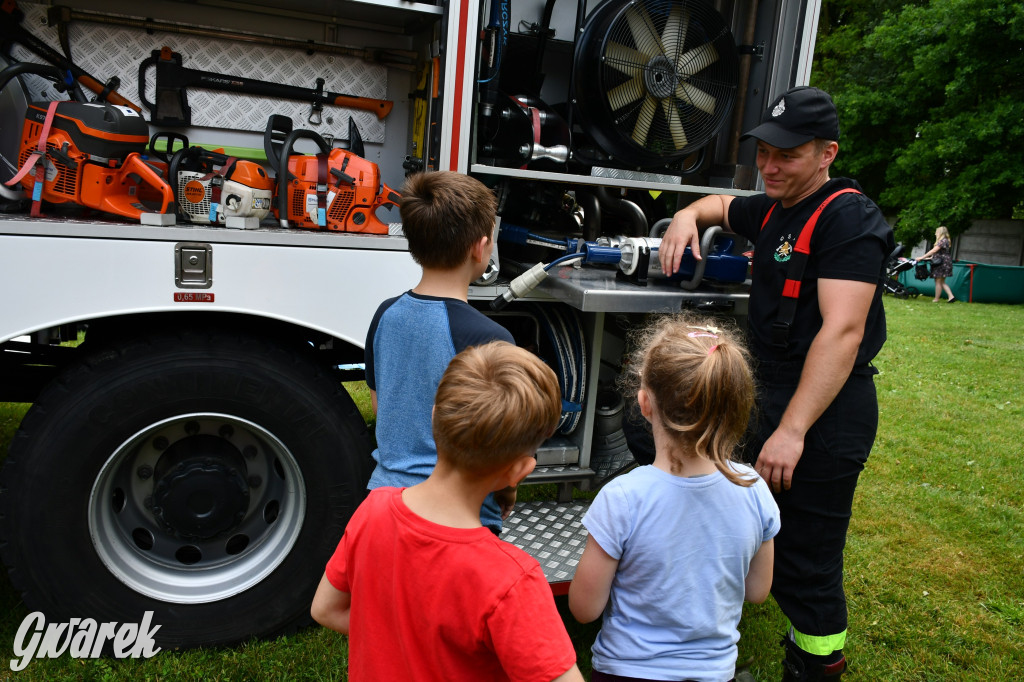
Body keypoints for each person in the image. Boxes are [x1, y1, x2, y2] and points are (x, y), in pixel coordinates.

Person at [658, 86, 894, 681]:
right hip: (771, 393)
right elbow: (718, 205)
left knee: (806, 560)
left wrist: (792, 431)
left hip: (823, 409)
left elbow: (842, 331)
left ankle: (813, 666)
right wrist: (687, 214)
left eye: (786, 154)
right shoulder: (775, 205)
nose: (768, 165)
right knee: (733, 514)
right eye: (764, 151)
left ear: (827, 154)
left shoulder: (848, 218)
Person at [311, 341, 584, 682]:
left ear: (433, 415)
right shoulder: (511, 582)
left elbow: (325, 609)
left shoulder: (374, 510)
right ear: (520, 471)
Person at [569, 316, 780, 682]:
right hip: (715, 673)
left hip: (627, 672)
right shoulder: (753, 488)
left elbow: (584, 609)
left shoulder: (622, 498)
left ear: (644, 403)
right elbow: (758, 591)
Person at [364, 170, 515, 533]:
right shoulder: (491, 337)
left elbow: (379, 405)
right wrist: (508, 490)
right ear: (480, 248)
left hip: (383, 503)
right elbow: (501, 442)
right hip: (458, 514)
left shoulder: (386, 313)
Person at [918, 226, 955, 302]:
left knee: (938, 281)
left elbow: (934, 251)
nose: (935, 234)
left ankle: (936, 299)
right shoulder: (946, 241)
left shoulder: (942, 241)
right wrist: (927, 258)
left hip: (941, 263)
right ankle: (951, 296)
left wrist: (922, 257)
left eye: (936, 232)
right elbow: (939, 254)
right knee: (941, 281)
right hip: (945, 262)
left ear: (940, 232)